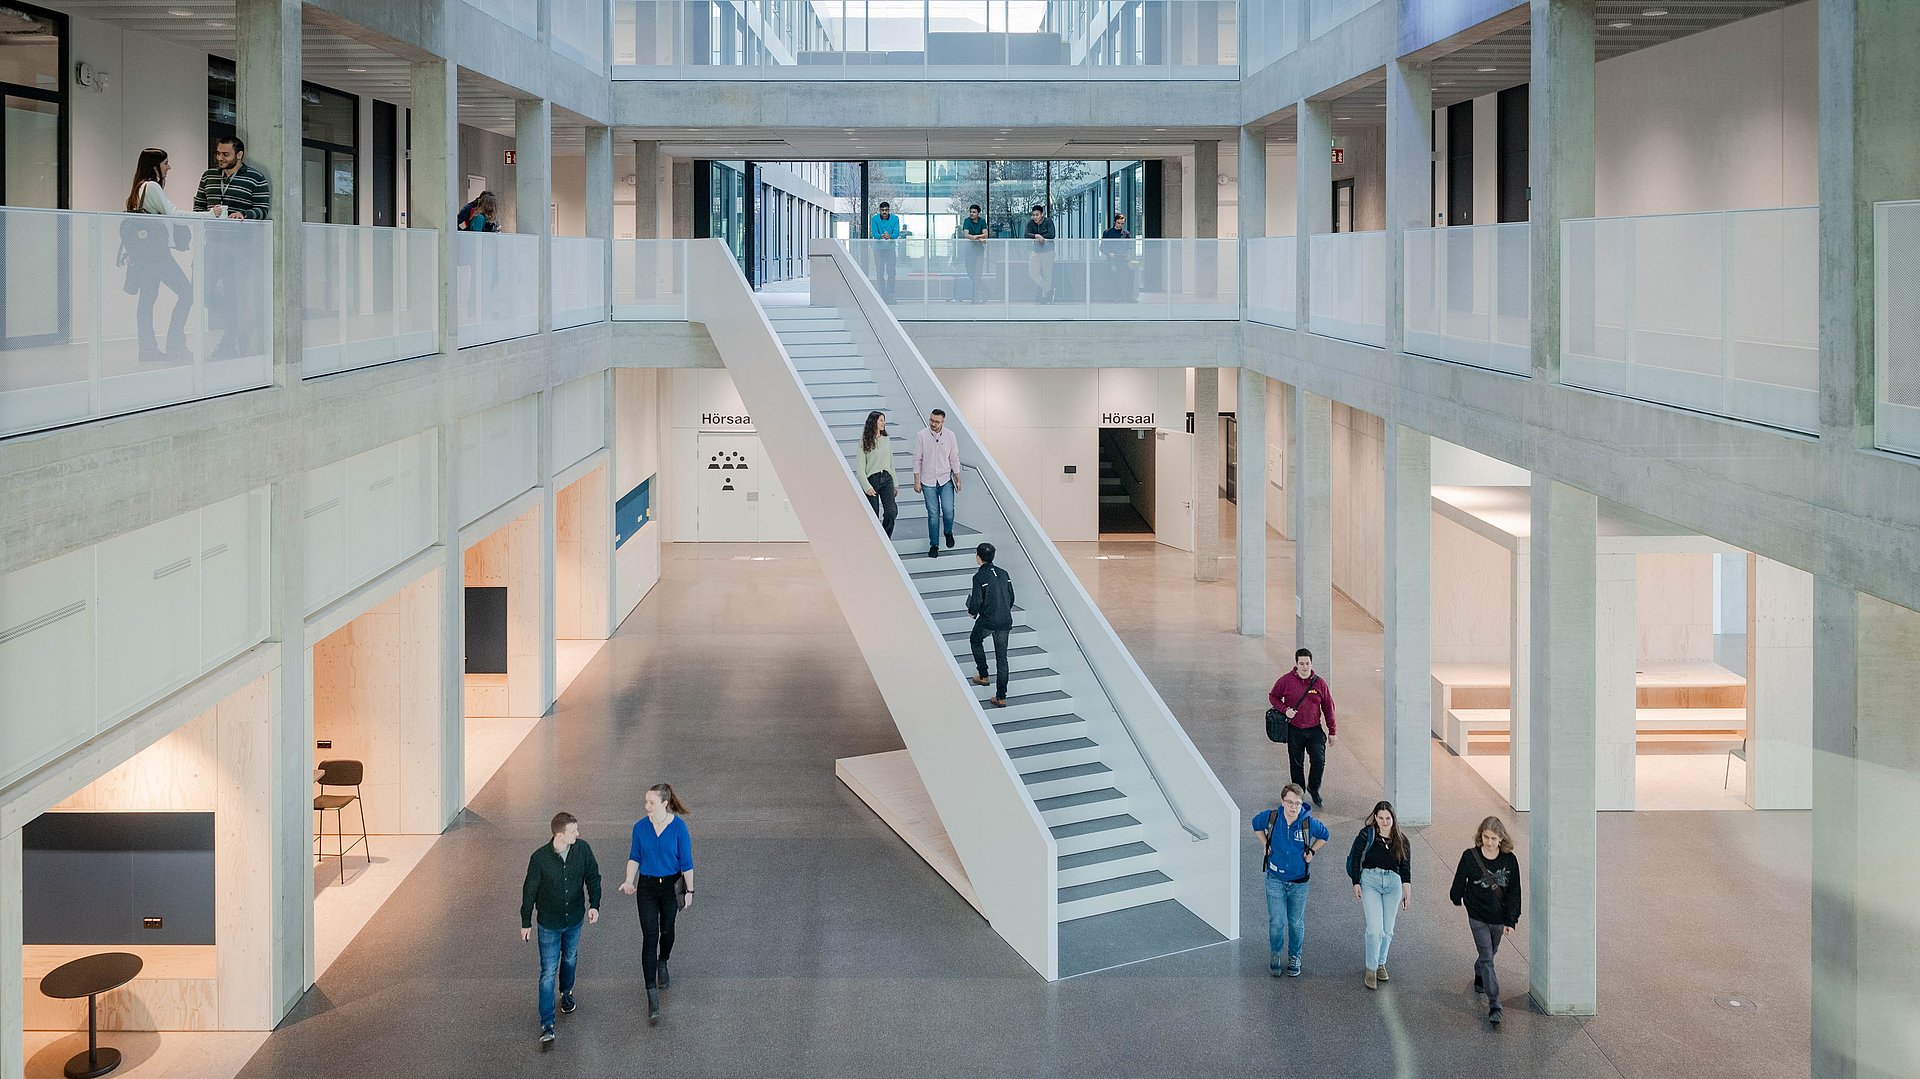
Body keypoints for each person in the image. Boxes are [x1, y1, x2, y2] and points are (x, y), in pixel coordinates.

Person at [519, 811, 601, 1045]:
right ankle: (547, 1023)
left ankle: (566, 993)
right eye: (573, 832)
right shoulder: (539, 859)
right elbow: (529, 892)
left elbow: (593, 878)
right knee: (547, 972)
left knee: (570, 959)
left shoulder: (582, 850)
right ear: (559, 834)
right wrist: (526, 922)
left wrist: (594, 904)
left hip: (574, 919)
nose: (578, 834)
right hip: (549, 924)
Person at [121, 147, 206, 364]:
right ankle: (175, 345)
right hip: (157, 256)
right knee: (188, 294)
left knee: (146, 302)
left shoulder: (137, 189)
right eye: (166, 163)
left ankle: (147, 350)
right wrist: (209, 215)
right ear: (154, 166)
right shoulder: (151, 186)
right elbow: (174, 214)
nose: (169, 167)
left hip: (143, 257)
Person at [619, 783, 693, 1025]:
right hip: (648, 887)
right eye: (645, 802)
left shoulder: (679, 828)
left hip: (670, 887)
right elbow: (635, 856)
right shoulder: (640, 828)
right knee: (650, 936)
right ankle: (651, 991)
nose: (646, 806)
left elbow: (687, 863)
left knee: (667, 930)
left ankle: (664, 961)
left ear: (664, 803)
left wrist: (689, 890)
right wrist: (630, 880)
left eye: (651, 802)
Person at [192, 136, 271, 360]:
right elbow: (197, 206)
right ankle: (237, 329)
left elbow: (263, 208)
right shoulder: (208, 176)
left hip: (240, 247)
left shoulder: (255, 178)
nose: (220, 158)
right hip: (212, 244)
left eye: (225, 154)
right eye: (218, 153)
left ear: (239, 155)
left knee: (234, 294)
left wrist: (243, 215)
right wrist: (209, 213)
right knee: (203, 292)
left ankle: (229, 341)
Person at [1249, 782, 1329, 978]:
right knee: (1277, 921)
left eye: (1298, 803)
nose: (1294, 807)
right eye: (1290, 802)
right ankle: (1276, 954)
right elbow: (1255, 824)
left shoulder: (1308, 822)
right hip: (1275, 878)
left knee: (1295, 922)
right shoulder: (1272, 818)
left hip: (1299, 882)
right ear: (1282, 802)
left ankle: (1295, 957)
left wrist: (1312, 851)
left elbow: (1325, 835)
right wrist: (1265, 844)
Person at [1449, 815, 1522, 1025]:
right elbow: (1459, 880)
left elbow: (1515, 891)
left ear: (1501, 838)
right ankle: (1495, 1003)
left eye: (1493, 838)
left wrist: (1511, 920)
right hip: (1477, 916)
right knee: (1488, 957)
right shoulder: (1470, 857)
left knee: (1491, 952)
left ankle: (1479, 971)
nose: (1489, 842)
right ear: (1481, 836)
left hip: (1499, 917)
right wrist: (1457, 898)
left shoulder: (1509, 860)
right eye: (1486, 837)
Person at [1346, 800, 1412, 990]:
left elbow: (1405, 867)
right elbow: (1357, 857)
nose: (1384, 822)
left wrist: (1407, 891)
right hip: (1370, 881)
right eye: (1381, 818)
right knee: (1374, 929)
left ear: (1393, 818)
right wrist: (1356, 882)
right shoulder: (1366, 834)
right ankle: (1371, 968)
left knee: (1387, 929)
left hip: (1393, 884)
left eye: (1388, 818)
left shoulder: (1402, 840)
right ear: (1375, 817)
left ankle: (1381, 962)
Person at [1269, 647, 1336, 806]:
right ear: (1296, 664)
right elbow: (1273, 697)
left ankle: (1314, 788)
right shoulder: (1286, 681)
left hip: (1314, 730)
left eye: (1307, 663)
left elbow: (1328, 707)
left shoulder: (1319, 684)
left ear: (1311, 664)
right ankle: (1298, 794)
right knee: (1296, 764)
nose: (1305, 667)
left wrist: (1332, 731)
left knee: (1319, 760)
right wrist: (1285, 710)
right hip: (1295, 730)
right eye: (1302, 663)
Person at [967, 542, 1016, 708]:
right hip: (1005, 619)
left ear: (978, 557)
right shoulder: (1003, 573)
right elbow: (1011, 597)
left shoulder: (979, 577)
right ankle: (1001, 696)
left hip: (989, 619)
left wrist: (972, 612)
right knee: (1002, 659)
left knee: (975, 639)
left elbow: (977, 600)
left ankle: (983, 675)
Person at [912, 408, 962, 559]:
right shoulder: (921, 435)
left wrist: (959, 479)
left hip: (945, 478)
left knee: (948, 510)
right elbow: (917, 459)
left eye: (936, 421)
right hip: (927, 481)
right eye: (931, 420)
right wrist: (916, 481)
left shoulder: (950, 435)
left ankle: (948, 532)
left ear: (942, 421)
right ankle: (934, 544)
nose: (933, 423)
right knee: (933, 514)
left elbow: (954, 457)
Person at [858, 410, 897, 536]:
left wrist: (895, 483)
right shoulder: (864, 442)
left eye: (883, 420)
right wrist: (867, 487)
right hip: (872, 480)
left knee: (891, 512)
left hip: (887, 478)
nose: (883, 423)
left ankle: (885, 538)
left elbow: (891, 463)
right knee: (873, 515)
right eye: (881, 420)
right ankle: (875, 541)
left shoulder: (886, 440)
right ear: (873, 422)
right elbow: (860, 468)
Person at [869, 200, 901, 301]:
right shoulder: (874, 219)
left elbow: (896, 233)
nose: (884, 212)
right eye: (882, 210)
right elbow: (875, 234)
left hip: (890, 249)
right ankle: (882, 294)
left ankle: (890, 294)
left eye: (886, 210)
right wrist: (882, 235)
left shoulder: (895, 218)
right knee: (880, 272)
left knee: (891, 272)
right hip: (878, 250)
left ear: (889, 210)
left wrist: (890, 236)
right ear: (879, 210)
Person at [1023, 204, 1056, 303]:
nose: (1035, 217)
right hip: (1036, 251)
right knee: (1032, 272)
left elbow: (1051, 235)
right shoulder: (1031, 223)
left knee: (1047, 274)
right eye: (1033, 215)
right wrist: (1037, 236)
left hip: (1048, 251)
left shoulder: (1048, 221)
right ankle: (1049, 290)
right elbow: (1026, 234)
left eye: (1037, 215)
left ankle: (1046, 297)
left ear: (1042, 214)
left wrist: (1041, 237)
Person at [1099, 213, 1134, 302]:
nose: (1120, 225)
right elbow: (1102, 247)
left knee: (1131, 271)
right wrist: (1109, 253)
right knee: (1114, 272)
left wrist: (1128, 256)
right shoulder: (1107, 232)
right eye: (1118, 223)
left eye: (1122, 224)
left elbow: (1129, 247)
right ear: (1115, 222)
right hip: (1113, 259)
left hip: (1124, 258)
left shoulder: (1126, 233)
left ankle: (1129, 296)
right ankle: (1117, 296)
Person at [958, 204, 989, 303]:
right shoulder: (967, 221)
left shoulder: (982, 221)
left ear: (978, 213)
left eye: (974, 212)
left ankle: (975, 298)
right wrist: (978, 238)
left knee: (977, 275)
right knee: (971, 274)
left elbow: (986, 234)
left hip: (979, 252)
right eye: (971, 212)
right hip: (969, 251)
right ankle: (987, 290)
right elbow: (966, 235)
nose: (971, 213)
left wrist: (977, 237)